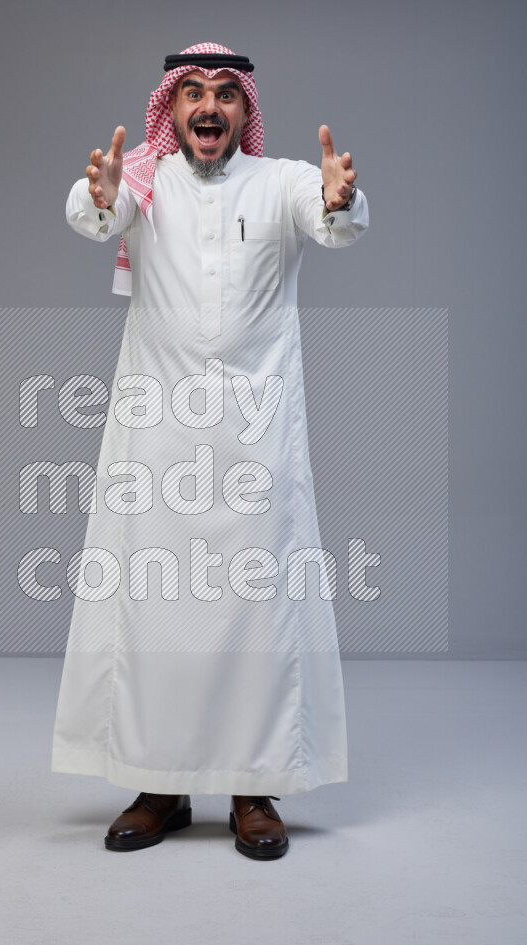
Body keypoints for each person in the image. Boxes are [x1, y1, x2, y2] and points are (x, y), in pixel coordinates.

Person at [51, 42, 369, 859]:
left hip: (258, 441)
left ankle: (253, 790)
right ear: (173, 105)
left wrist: (340, 199)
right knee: (155, 609)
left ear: (243, 111)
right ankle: (159, 786)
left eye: (226, 94)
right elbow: (98, 214)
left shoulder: (282, 181)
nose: (208, 107)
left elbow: (331, 222)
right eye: (191, 92)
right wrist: (102, 194)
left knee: (257, 612)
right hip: (157, 440)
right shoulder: (144, 181)